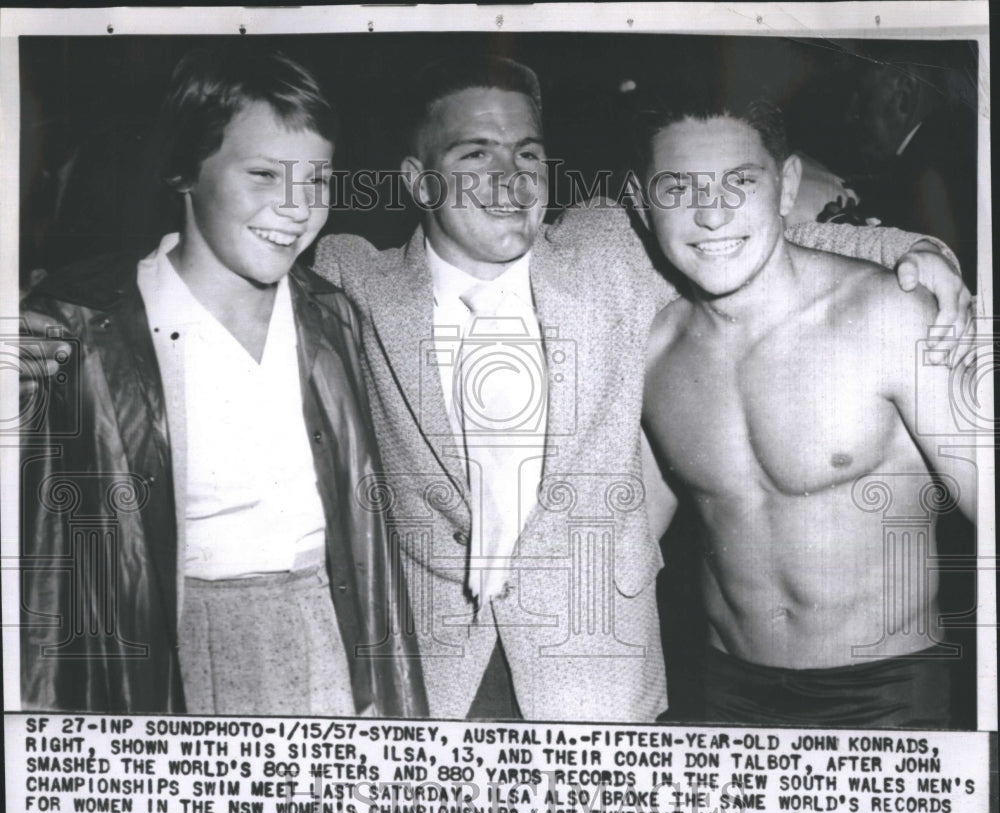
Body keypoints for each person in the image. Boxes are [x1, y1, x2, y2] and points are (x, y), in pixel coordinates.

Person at [311, 54, 972, 722]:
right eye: (476, 155)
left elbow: (760, 236)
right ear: (419, 183)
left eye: (529, 154)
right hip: (432, 684)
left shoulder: (609, 256)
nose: (509, 180)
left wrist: (915, 255)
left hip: (602, 681)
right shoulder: (351, 282)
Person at [19, 46, 427, 717]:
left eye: (317, 180)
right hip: (168, 653)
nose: (296, 208)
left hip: (321, 638)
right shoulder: (86, 331)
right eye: (264, 174)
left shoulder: (331, 320)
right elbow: (44, 569)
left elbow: (367, 544)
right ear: (185, 170)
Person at [636, 92, 978, 727]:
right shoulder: (657, 351)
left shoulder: (888, 316)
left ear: (786, 185)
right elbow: (633, 533)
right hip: (723, 690)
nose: (711, 214)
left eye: (740, 181)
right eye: (678, 188)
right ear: (641, 199)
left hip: (886, 693)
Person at [843, 49, 978, 289]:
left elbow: (940, 279)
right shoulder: (956, 140)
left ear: (904, 94)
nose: (850, 117)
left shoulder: (928, 172)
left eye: (863, 99)